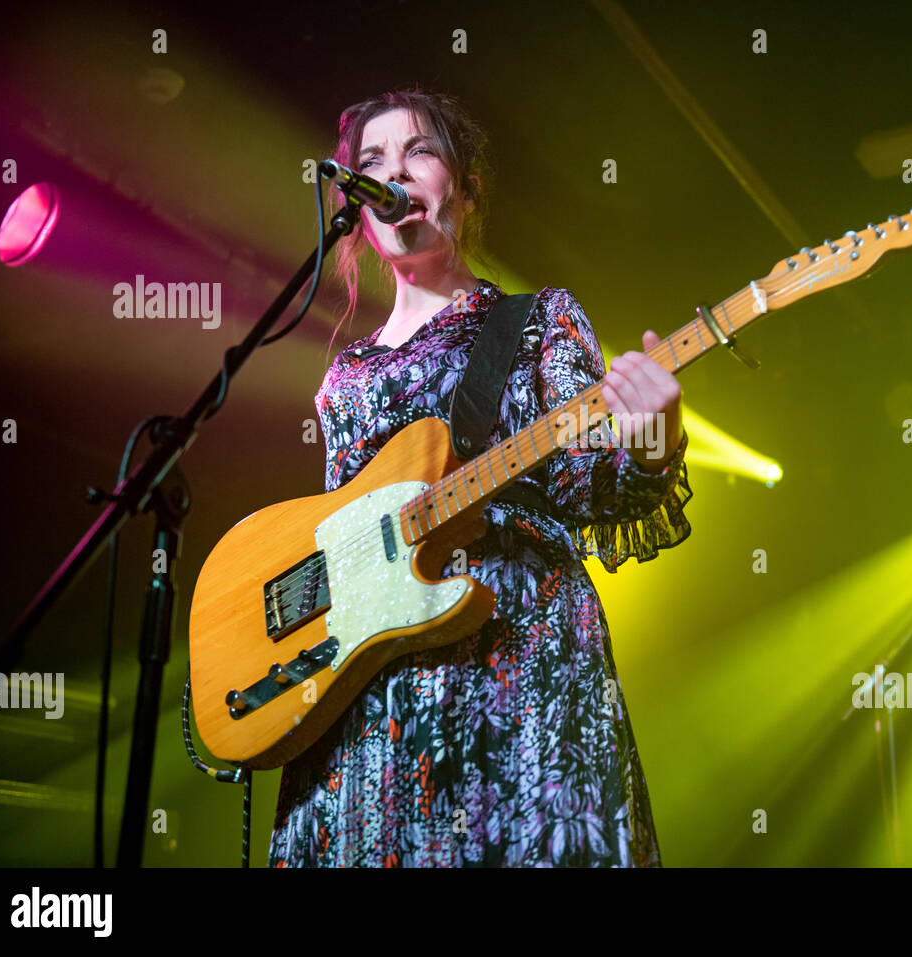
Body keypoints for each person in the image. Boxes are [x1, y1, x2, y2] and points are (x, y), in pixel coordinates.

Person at [267, 88, 694, 867]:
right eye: (370, 163)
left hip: (514, 660)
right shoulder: (345, 379)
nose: (393, 173)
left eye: (419, 153)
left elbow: (595, 491)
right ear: (355, 205)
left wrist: (655, 439)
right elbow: (333, 547)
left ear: (462, 189)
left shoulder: (535, 322)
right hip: (374, 691)